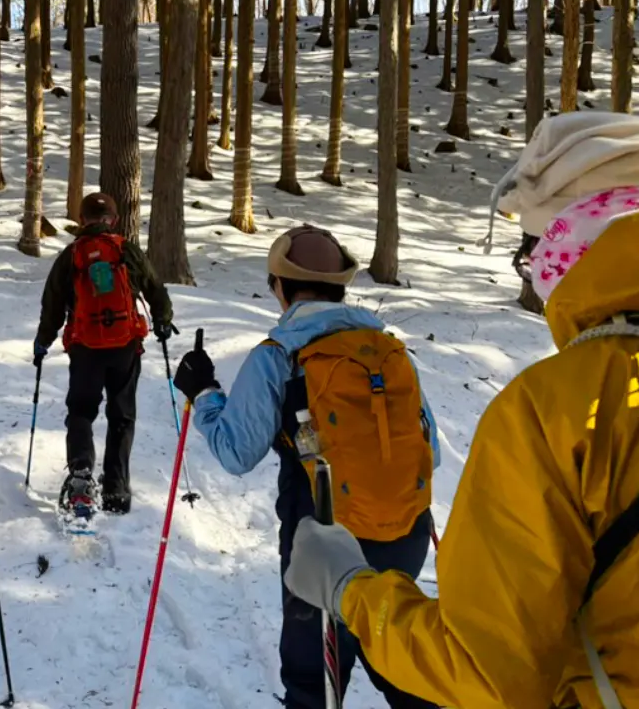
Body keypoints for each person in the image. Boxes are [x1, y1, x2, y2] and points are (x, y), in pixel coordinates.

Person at [281, 111, 639, 709]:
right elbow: (429, 446)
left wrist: (348, 587)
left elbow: (485, 672)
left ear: (569, 237)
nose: (534, 271)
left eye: (532, 248)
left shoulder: (557, 407)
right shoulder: (390, 348)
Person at [173, 224, 441, 709]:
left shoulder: (279, 357)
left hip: (321, 538)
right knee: (400, 660)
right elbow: (432, 451)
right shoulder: (389, 351)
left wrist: (205, 393)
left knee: (313, 681)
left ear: (281, 286)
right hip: (406, 532)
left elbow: (236, 453)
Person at [33, 192, 174, 516]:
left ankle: (81, 477)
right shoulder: (126, 250)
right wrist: (163, 321)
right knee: (122, 415)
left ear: (82, 220)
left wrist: (43, 341)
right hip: (125, 346)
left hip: (85, 348)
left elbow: (52, 304)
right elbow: (155, 288)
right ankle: (116, 489)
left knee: (81, 411)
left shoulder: (72, 255)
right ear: (114, 220)